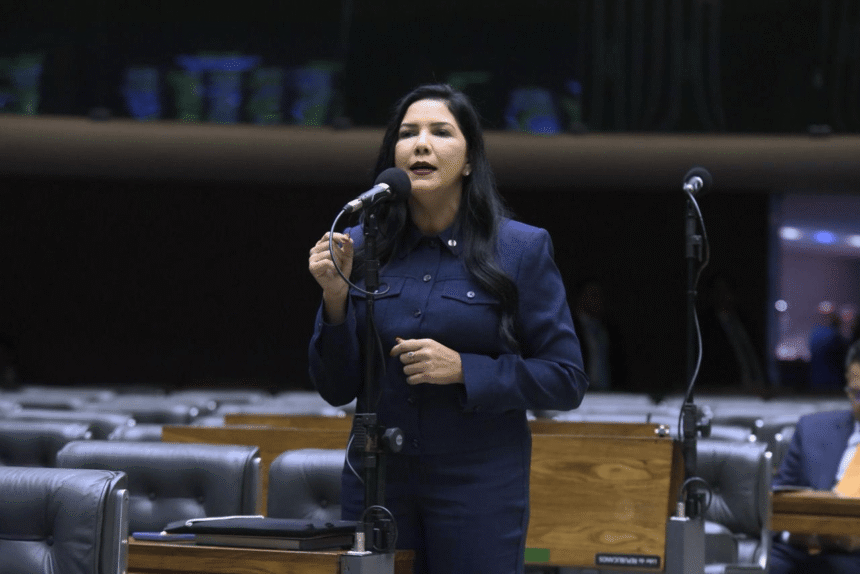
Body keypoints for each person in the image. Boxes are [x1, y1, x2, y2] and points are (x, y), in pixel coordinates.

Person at [307, 83, 588, 574]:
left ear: (469, 160)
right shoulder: (359, 247)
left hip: (478, 484)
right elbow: (335, 388)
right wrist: (334, 297)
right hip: (378, 481)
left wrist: (465, 369)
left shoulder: (520, 249)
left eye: (440, 132)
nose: (421, 144)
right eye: (408, 133)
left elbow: (565, 379)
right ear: (392, 156)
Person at [770, 338, 860, 573]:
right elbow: (777, 500)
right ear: (848, 388)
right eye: (857, 393)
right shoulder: (811, 429)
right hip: (799, 551)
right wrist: (796, 532)